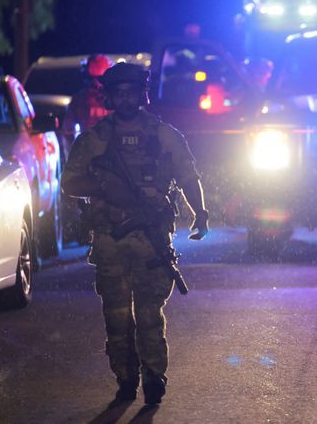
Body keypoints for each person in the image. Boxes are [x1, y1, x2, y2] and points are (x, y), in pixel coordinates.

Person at [61, 62, 209, 406]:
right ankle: (125, 378)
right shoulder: (95, 140)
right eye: (119, 93)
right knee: (116, 316)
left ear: (142, 94)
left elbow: (188, 176)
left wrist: (200, 213)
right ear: (110, 97)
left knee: (149, 315)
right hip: (110, 239)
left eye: (131, 92)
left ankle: (154, 376)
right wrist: (103, 186)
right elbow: (70, 182)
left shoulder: (163, 135)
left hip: (151, 238)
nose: (125, 99)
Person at [61, 54, 113, 157]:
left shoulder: (117, 98)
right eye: (92, 78)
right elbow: (67, 132)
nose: (96, 83)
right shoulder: (79, 99)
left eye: (100, 79)